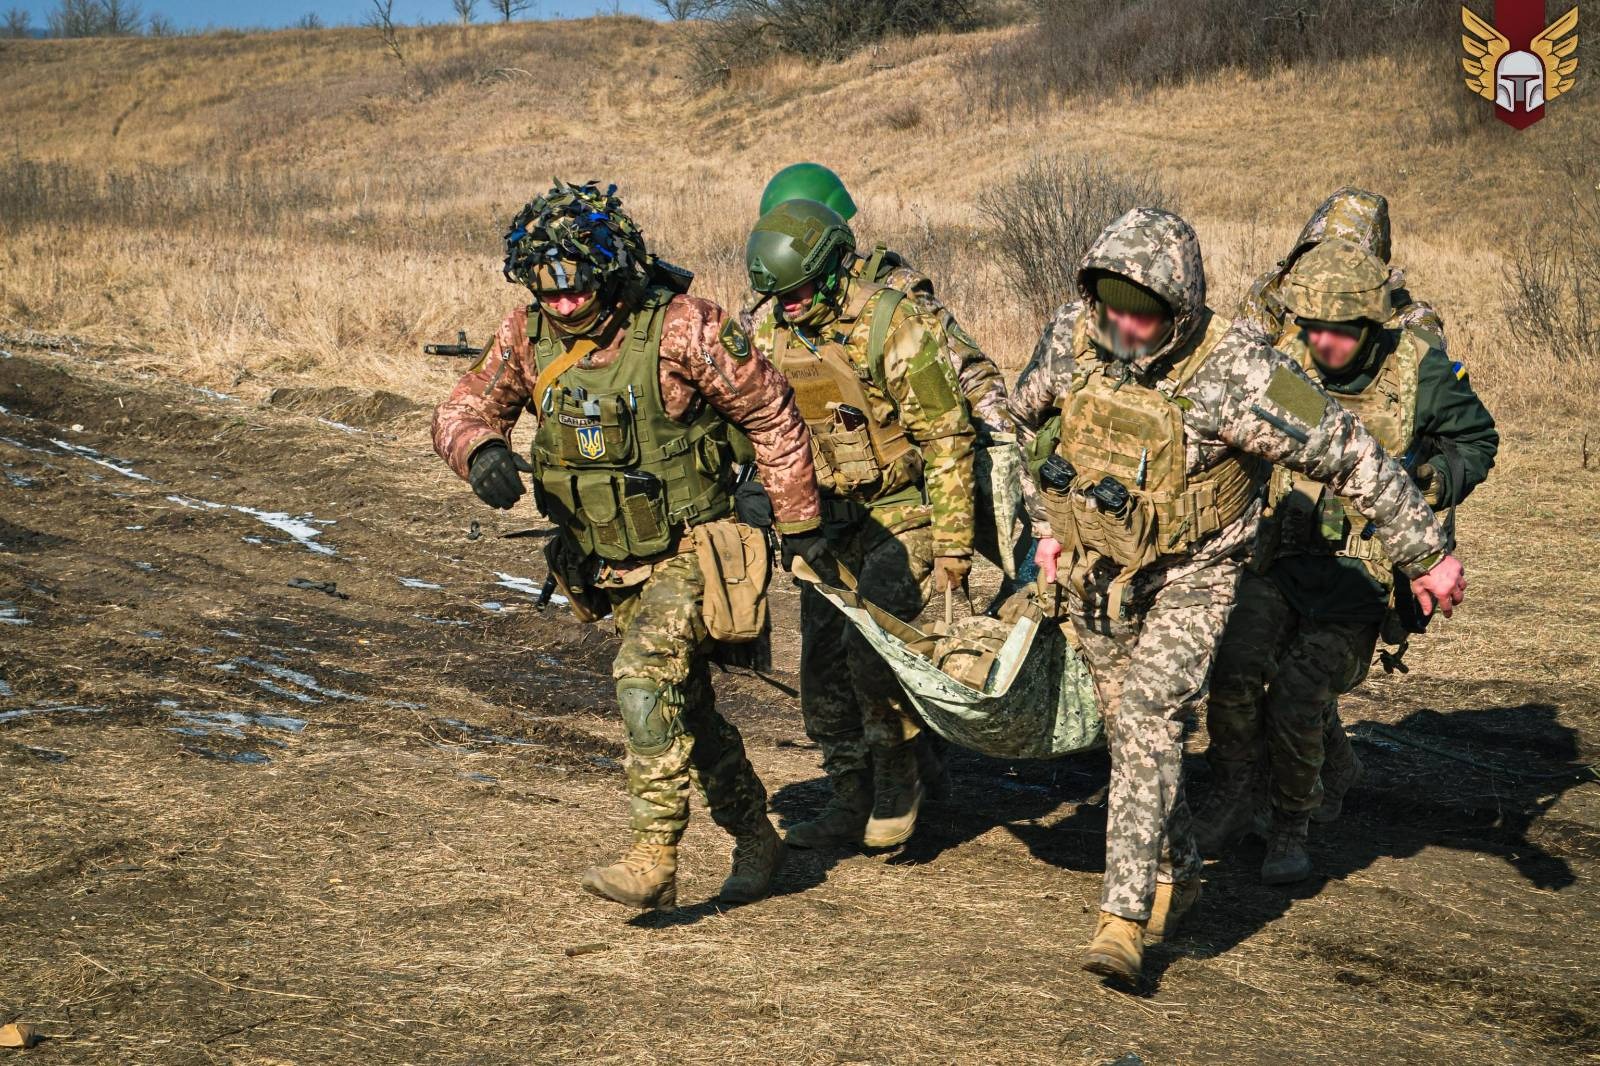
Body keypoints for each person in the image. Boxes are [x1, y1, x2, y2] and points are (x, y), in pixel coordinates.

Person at [1008, 207, 1466, 982]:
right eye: (1111, 304)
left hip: (1199, 569)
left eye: (1143, 312)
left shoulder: (1241, 373)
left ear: (1181, 310)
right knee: (1132, 736)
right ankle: (1179, 867)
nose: (1124, 324)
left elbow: (1352, 455)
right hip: (1099, 563)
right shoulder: (1073, 338)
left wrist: (1424, 552)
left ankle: (1120, 918)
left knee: (1153, 714)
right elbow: (1023, 425)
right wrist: (1042, 526)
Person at [432, 181, 824, 911]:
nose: (562, 301)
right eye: (544, 284)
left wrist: (790, 517)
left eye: (574, 282)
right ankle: (757, 838)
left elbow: (770, 412)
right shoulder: (528, 335)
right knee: (687, 712)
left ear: (608, 268)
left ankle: (654, 857)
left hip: (698, 548)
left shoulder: (683, 329)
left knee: (642, 680)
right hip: (611, 560)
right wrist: (478, 448)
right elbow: (463, 405)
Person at [1200, 238, 1498, 882]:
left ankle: (1288, 824)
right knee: (1231, 672)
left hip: (1360, 580)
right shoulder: (1282, 359)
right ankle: (1236, 790)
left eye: (1339, 333)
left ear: (1369, 325)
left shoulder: (1417, 369)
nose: (1323, 344)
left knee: (1299, 695)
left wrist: (1429, 485)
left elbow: (1476, 439)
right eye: (1311, 329)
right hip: (1278, 558)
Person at [745, 197, 977, 850]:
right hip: (823, 520)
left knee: (874, 652)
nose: (786, 305)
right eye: (777, 295)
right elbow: (754, 422)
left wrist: (955, 545)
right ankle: (851, 794)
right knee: (821, 674)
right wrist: (758, 491)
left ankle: (900, 775)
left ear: (827, 270)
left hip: (902, 513)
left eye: (794, 292)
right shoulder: (772, 335)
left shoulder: (890, 323)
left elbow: (948, 435)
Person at [1239, 186, 1445, 348]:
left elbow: (1428, 380)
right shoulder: (1275, 291)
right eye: (1318, 253)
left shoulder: (1410, 320)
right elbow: (1243, 363)